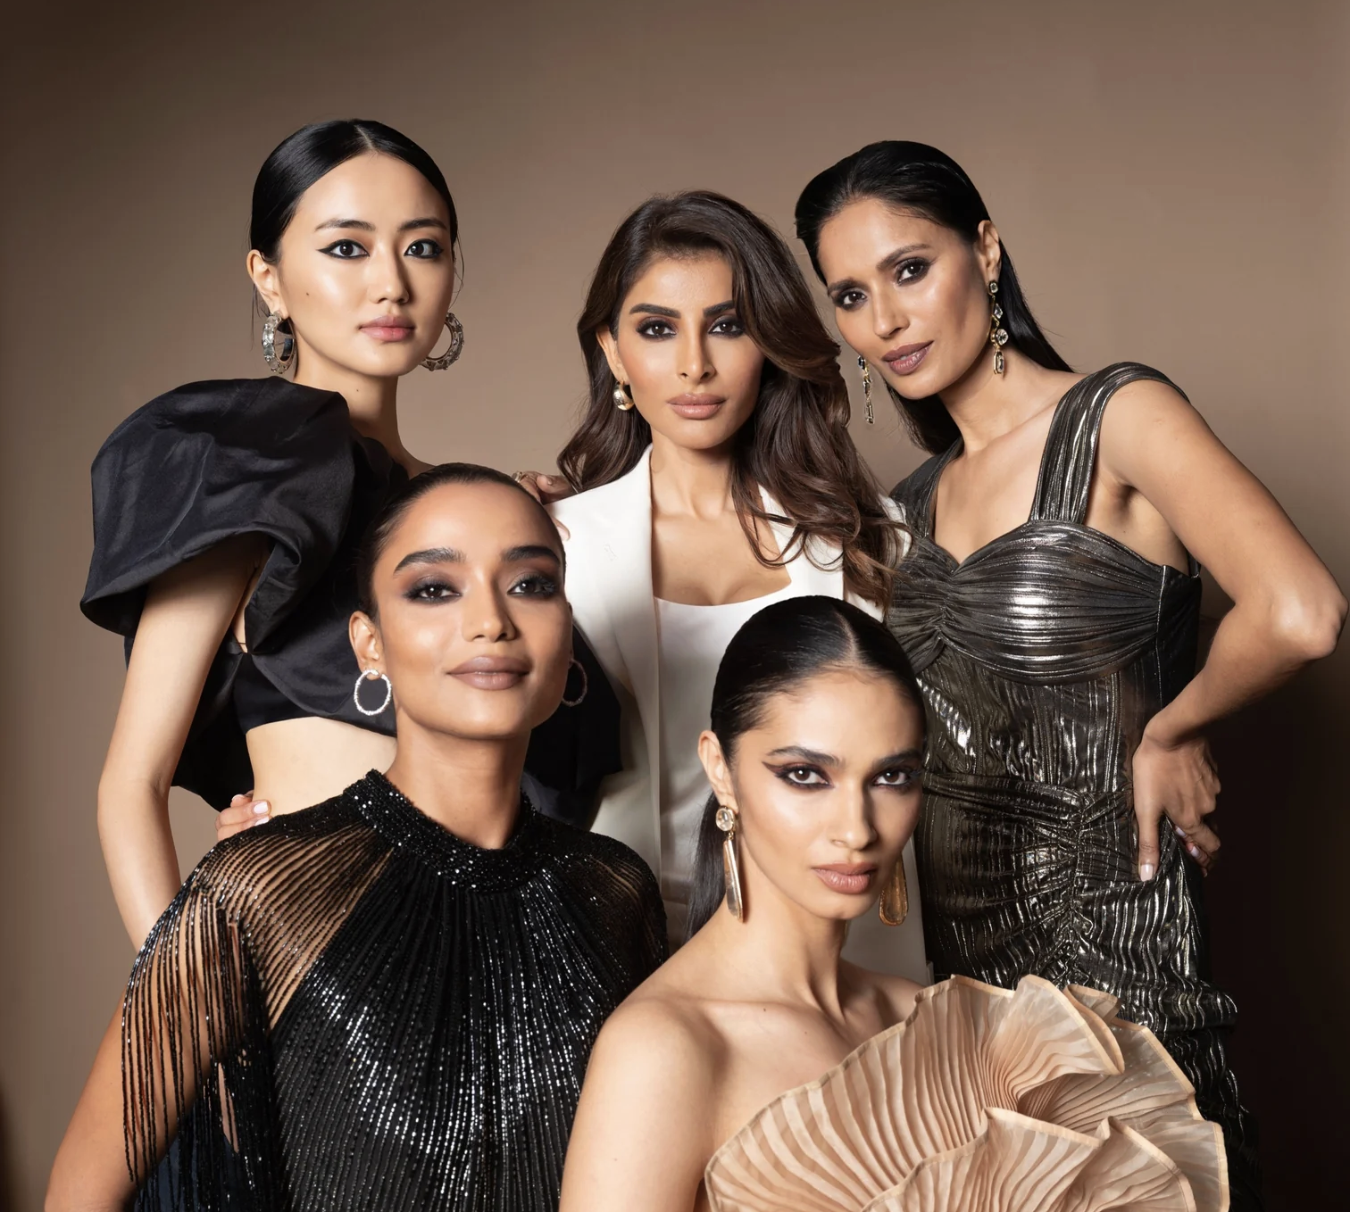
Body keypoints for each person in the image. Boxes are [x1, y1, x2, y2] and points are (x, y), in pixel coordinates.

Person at [792, 139, 1349, 1209]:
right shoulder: (909, 504)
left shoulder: (1116, 418)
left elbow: (1300, 612)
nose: (886, 320)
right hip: (959, 1005)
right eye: (851, 295)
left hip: (1120, 966)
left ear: (985, 253)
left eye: (910, 269)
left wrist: (1171, 729)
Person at [48, 464, 667, 1212]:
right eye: (434, 589)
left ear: (569, 640)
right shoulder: (257, 888)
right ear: (368, 646)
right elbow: (80, 1195)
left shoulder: (615, 892)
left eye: (530, 584)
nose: (490, 622)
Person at [81, 118, 610, 946]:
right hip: (313, 960)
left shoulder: (462, 513)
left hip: (501, 951)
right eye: (346, 248)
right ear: (269, 279)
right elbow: (130, 784)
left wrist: (558, 528)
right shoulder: (245, 464)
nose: (391, 284)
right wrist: (192, 1011)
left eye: (423, 248)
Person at [532, 192, 926, 979]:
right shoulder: (554, 547)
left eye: (726, 324)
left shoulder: (871, 539)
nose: (693, 365)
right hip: (617, 955)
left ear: (770, 341)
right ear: (613, 353)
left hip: (846, 956)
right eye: (656, 329)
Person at [558, 596, 925, 1210]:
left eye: (891, 778)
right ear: (720, 769)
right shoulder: (664, 1050)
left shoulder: (921, 1015)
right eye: (806, 775)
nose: (857, 829)